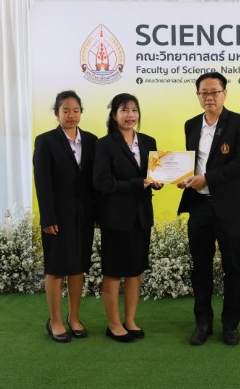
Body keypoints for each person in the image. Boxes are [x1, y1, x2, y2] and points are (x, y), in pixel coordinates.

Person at [177, 72, 240, 346]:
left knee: (233, 266)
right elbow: (191, 163)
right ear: (198, 95)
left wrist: (207, 179)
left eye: (214, 92)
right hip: (199, 205)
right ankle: (203, 323)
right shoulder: (191, 124)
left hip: (229, 207)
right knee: (200, 267)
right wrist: (183, 178)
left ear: (224, 94)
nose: (209, 97)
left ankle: (230, 325)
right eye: (204, 93)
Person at [93, 93, 162, 343]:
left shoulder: (148, 141)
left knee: (135, 270)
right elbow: (101, 182)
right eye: (124, 110)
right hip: (115, 216)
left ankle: (130, 320)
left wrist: (157, 182)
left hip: (141, 216)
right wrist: (136, 184)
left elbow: (153, 174)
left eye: (134, 110)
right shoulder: (104, 144)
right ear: (114, 115)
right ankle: (113, 324)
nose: (130, 115)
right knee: (113, 271)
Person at [33, 90, 97, 343]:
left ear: (81, 112)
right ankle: (55, 320)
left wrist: (97, 213)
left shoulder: (91, 141)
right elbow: (42, 183)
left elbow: (94, 182)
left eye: (76, 110)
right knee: (56, 268)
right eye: (66, 110)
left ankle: (74, 317)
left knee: (78, 267)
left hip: (84, 216)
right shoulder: (46, 141)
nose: (71, 115)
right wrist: (47, 217)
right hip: (57, 217)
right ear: (56, 113)